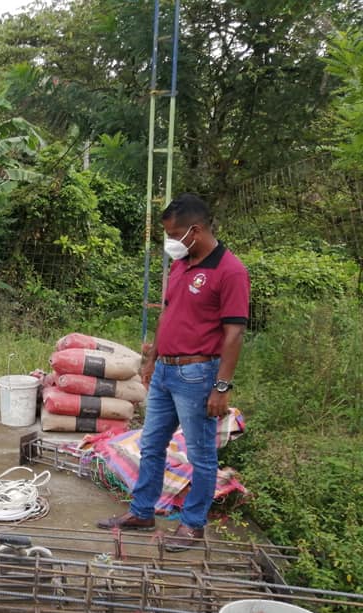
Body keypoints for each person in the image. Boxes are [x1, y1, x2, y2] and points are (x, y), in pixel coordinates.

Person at [97, 193, 250, 552]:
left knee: (200, 455)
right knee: (151, 444)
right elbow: (169, 313)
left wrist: (221, 387)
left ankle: (193, 525)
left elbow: (234, 333)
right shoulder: (181, 264)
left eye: (174, 234)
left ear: (195, 231)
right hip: (165, 371)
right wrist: (152, 360)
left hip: (197, 375)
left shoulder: (230, 271)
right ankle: (142, 512)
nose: (170, 242)